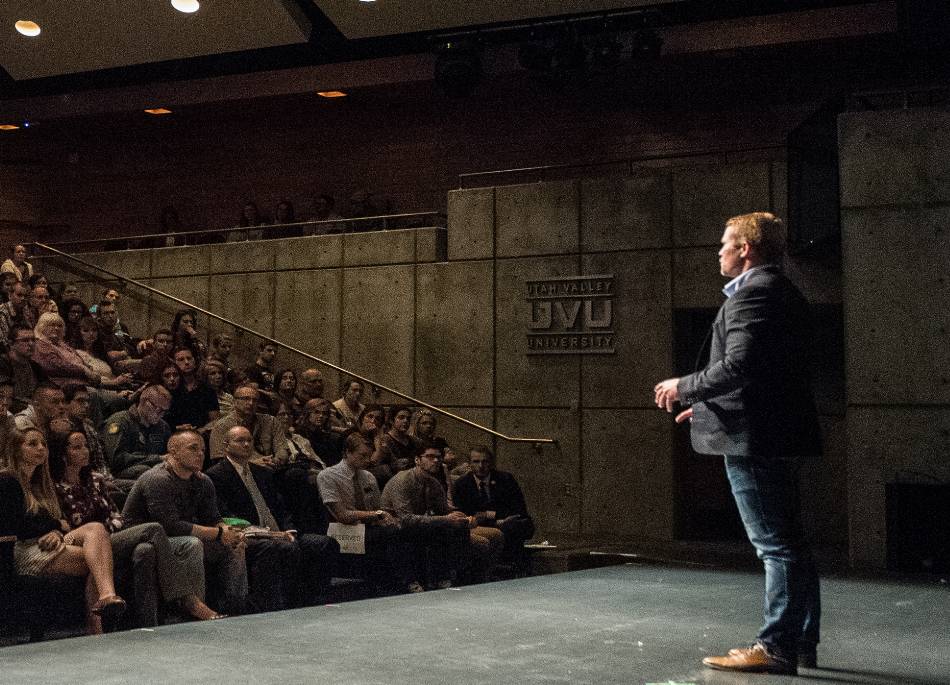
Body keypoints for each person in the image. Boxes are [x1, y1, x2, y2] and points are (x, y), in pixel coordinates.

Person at [653, 212, 822, 676]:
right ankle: (800, 641)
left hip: (754, 440)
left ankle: (775, 647)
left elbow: (740, 365)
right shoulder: (785, 292)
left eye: (725, 243)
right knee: (792, 543)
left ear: (746, 248)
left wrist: (683, 387)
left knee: (775, 546)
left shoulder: (754, 294)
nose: (719, 251)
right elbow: (768, 375)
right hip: (774, 431)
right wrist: (705, 409)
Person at [49, 429, 222, 625]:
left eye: (86, 446)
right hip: (75, 542)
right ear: (62, 454)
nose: (86, 451)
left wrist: (107, 528)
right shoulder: (52, 485)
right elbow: (58, 523)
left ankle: (158, 620)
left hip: (108, 538)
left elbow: (115, 515)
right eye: (77, 447)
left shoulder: (96, 479)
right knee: (152, 533)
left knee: (144, 544)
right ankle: (187, 600)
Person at [1, 428, 126, 634]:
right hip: (20, 550)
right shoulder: (8, 481)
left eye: (43, 444)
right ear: (16, 450)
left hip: (46, 544)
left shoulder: (42, 484)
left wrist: (57, 531)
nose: (41, 448)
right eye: (32, 444)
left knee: (96, 529)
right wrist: (56, 527)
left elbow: (58, 523)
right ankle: (97, 626)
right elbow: (17, 526)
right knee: (95, 560)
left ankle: (106, 598)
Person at [207, 426, 339, 609]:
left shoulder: (262, 472)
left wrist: (289, 529)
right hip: (251, 534)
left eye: (249, 440)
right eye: (240, 440)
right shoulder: (215, 475)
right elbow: (227, 515)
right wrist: (270, 535)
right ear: (226, 445)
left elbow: (280, 507)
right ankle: (278, 606)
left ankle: (315, 601)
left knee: (324, 543)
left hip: (280, 531)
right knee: (281, 547)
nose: (246, 444)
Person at [122, 430, 248, 615]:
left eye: (203, 450)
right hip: (148, 540)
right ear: (173, 450)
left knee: (235, 546)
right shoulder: (157, 479)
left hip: (177, 537)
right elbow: (169, 526)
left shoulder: (203, 481)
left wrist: (226, 530)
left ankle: (235, 609)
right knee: (192, 544)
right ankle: (195, 611)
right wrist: (219, 533)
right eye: (193, 448)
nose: (200, 454)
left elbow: (213, 518)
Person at [380, 445, 472, 591]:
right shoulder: (403, 480)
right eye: (430, 457)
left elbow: (444, 510)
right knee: (405, 531)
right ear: (417, 460)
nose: (435, 461)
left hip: (417, 522)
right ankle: (410, 582)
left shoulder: (433, 483)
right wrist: (446, 519)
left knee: (459, 527)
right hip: (394, 523)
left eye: (438, 457)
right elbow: (406, 519)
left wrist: (464, 517)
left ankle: (452, 577)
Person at [452, 445, 534, 572]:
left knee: (522, 524)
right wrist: (493, 521)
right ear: (469, 464)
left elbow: (518, 507)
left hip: (506, 519)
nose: (481, 465)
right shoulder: (462, 484)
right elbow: (467, 513)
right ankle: (499, 568)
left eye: (485, 461)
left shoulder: (506, 479)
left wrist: (490, 515)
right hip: (479, 525)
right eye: (476, 461)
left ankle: (513, 566)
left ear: (491, 463)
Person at [101, 385, 173, 481]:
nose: (160, 414)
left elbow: (169, 454)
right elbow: (117, 459)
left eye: (164, 411)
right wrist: (157, 459)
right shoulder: (120, 421)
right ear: (143, 401)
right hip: (120, 473)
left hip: (156, 470)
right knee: (146, 472)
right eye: (157, 408)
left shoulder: (163, 427)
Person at [208, 384, 287, 465]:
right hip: (239, 473)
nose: (251, 403)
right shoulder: (222, 426)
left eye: (255, 400)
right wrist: (252, 464)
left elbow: (282, 448)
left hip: (272, 467)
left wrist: (277, 460)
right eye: (245, 399)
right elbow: (219, 460)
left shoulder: (271, 421)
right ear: (235, 402)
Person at [165, 347, 219, 432]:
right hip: (174, 435)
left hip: (201, 435)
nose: (186, 362)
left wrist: (201, 430)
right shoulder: (170, 389)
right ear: (174, 363)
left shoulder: (207, 389)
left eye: (189, 358)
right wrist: (178, 428)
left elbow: (215, 420)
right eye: (181, 359)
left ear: (194, 361)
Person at [0, 324, 48, 412]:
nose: (31, 344)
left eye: (33, 340)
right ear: (11, 344)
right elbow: (4, 399)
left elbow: (46, 390)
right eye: (25, 340)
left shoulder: (35, 367)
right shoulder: (3, 364)